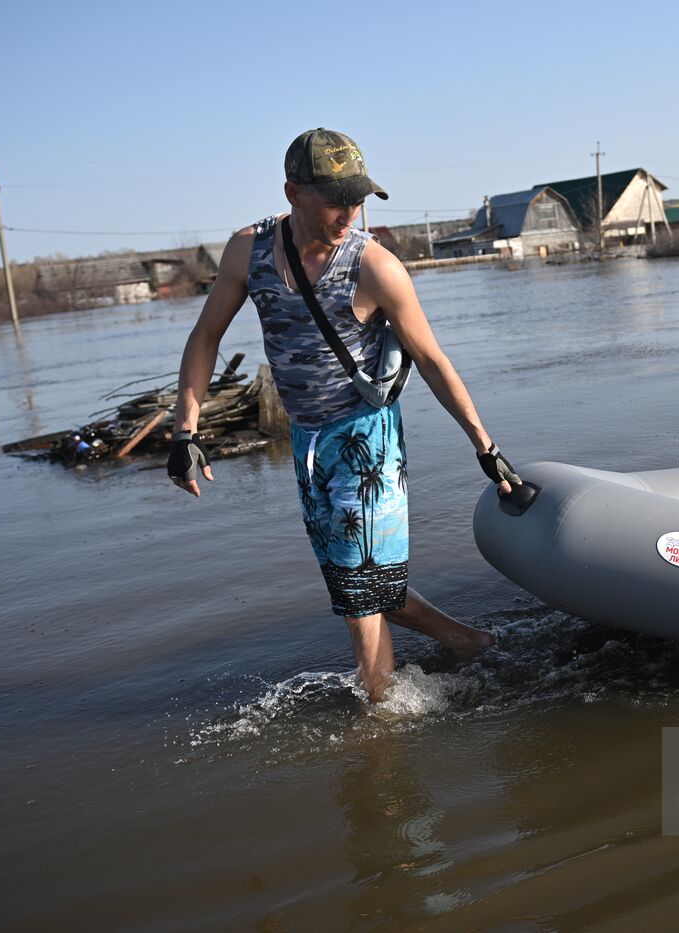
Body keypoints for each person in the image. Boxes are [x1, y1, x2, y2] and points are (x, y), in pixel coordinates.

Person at [168, 128, 522, 702]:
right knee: (355, 585)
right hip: (307, 443)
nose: (350, 213)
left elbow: (431, 360)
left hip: (366, 439)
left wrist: (485, 445)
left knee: (360, 596)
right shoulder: (248, 251)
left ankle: (379, 719)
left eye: (357, 199)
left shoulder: (374, 267)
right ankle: (469, 643)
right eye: (337, 199)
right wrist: (185, 431)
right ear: (293, 193)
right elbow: (206, 336)